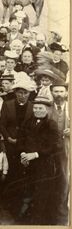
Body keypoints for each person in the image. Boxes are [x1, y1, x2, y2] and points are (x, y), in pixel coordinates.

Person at [14, 96, 60, 225]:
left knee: (42, 191)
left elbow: (53, 145)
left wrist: (35, 154)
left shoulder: (51, 124)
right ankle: (28, 218)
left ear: (47, 110)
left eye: (40, 108)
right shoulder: (28, 122)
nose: (37, 110)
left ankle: (40, 220)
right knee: (28, 190)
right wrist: (23, 154)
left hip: (43, 163)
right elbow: (21, 140)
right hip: (27, 163)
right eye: (35, 108)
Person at [49, 80, 69, 225]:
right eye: (56, 91)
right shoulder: (47, 109)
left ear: (66, 93)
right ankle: (50, 211)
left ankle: (62, 211)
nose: (59, 94)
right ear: (51, 93)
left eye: (61, 91)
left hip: (68, 149)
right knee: (50, 178)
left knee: (65, 179)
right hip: (50, 150)